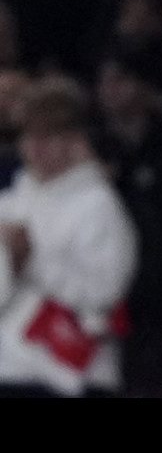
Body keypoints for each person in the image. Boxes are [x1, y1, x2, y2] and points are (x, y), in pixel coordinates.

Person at [0, 76, 137, 397]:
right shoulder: (12, 202)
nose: (35, 146)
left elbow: (104, 293)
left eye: (47, 135)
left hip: (75, 377)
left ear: (74, 139)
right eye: (28, 135)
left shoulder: (99, 206)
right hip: (10, 368)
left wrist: (31, 259)